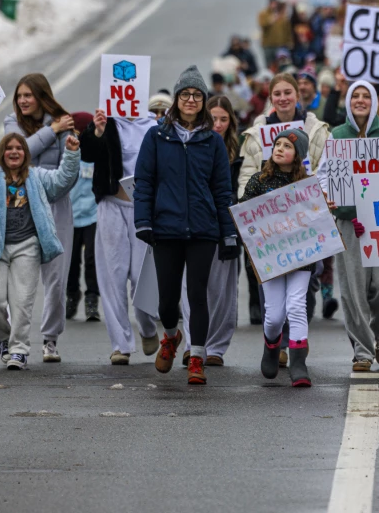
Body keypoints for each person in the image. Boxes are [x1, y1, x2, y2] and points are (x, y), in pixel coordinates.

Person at [134, 66, 240, 386]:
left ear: (204, 101)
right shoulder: (156, 136)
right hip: (165, 227)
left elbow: (223, 190)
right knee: (167, 300)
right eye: (185, 94)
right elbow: (145, 181)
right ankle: (171, 336)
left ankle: (197, 356)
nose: (191, 100)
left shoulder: (212, 141)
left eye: (197, 95)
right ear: (176, 100)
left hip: (203, 229)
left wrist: (228, 232)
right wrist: (143, 221)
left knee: (197, 295)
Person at [0, 132, 81, 370]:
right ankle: (4, 339)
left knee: (22, 303)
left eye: (19, 148)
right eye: (9, 148)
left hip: (27, 247)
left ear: (25, 153)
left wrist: (72, 154)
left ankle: (19, 350)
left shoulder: (37, 176)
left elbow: (62, 181)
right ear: (2, 152)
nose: (14, 152)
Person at [237, 72, 332, 325]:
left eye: (287, 92)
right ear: (271, 98)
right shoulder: (257, 132)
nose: (283, 98)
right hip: (269, 222)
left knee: (305, 283)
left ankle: (298, 337)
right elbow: (247, 172)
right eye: (277, 94)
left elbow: (326, 169)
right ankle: (277, 344)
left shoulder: (317, 129)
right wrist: (249, 206)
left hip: (305, 218)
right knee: (271, 281)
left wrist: (321, 202)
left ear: (297, 96)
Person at [81, 101, 161, 365]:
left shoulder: (154, 125)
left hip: (143, 208)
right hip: (111, 204)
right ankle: (121, 345)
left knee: (142, 276)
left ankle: (147, 326)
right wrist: (98, 131)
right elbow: (87, 152)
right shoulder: (106, 121)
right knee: (112, 276)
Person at [4, 74, 77, 364]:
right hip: (21, 208)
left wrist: (59, 129)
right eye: (19, 95)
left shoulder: (63, 122)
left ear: (41, 96)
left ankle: (50, 338)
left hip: (56, 207)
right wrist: (51, 129)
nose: (22, 100)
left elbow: (66, 171)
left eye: (28, 95)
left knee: (56, 279)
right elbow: (19, 151)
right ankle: (13, 341)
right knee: (19, 278)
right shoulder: (12, 123)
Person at [329, 79, 379, 371]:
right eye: (355, 95)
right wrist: (341, 206)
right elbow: (328, 178)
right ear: (348, 102)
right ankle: (362, 350)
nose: (360, 100)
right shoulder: (337, 135)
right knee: (353, 290)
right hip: (349, 223)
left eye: (365, 96)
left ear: (374, 102)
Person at [242, 127, 316, 386]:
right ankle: (271, 345)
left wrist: (324, 210)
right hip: (271, 257)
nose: (280, 148)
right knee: (274, 315)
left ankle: (298, 363)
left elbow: (318, 222)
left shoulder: (308, 185)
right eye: (278, 144)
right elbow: (245, 219)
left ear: (297, 155)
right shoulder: (258, 182)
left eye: (287, 146)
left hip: (301, 256)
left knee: (296, 306)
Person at [178, 95, 242, 367]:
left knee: (222, 288)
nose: (217, 124)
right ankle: (194, 343)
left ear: (231, 123)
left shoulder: (238, 152)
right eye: (213, 118)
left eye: (223, 119)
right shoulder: (194, 144)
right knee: (190, 287)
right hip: (196, 223)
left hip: (228, 223)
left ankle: (216, 346)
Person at [66, 112, 100, 322]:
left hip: (93, 215)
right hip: (70, 215)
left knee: (92, 259)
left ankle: (92, 299)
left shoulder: (97, 152)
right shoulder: (67, 153)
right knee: (70, 260)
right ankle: (72, 294)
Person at [259, 0, 293, 65]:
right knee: (269, 64)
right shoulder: (263, 14)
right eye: (272, 3)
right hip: (268, 45)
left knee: (280, 64)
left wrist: (289, 41)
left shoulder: (282, 15)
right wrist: (270, 20)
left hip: (280, 45)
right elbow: (262, 24)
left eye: (275, 3)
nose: (274, 5)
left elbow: (287, 30)